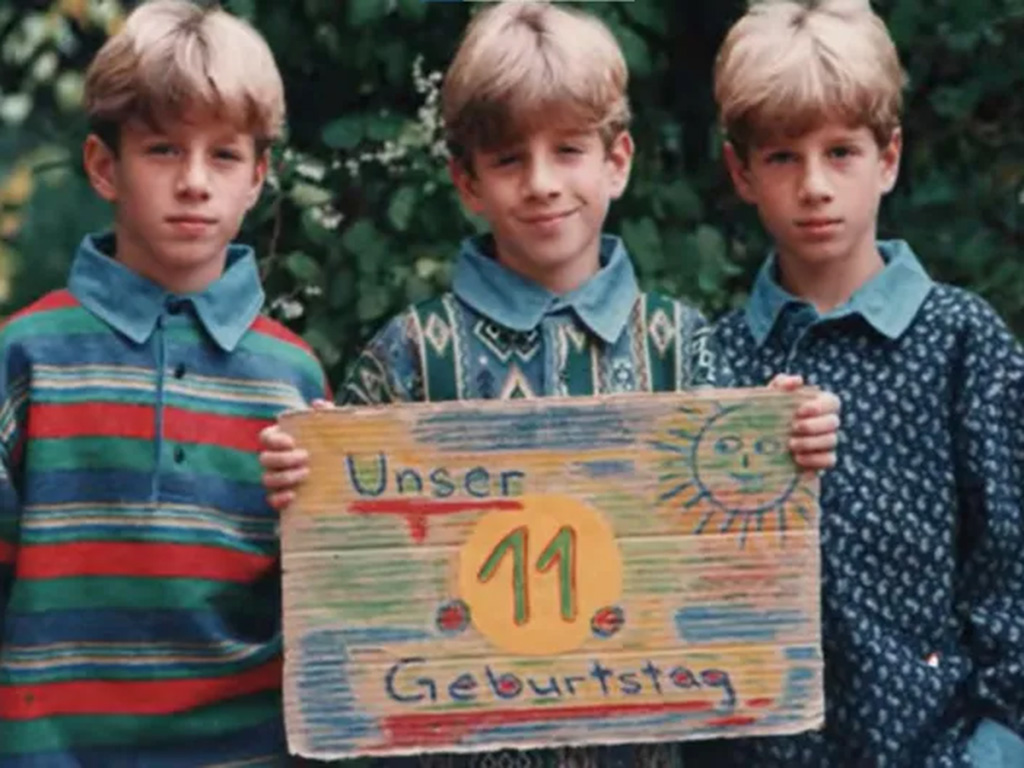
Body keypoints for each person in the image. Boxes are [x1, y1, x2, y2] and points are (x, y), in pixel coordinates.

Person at [261, 4, 840, 767]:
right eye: (507, 160)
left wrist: (786, 445)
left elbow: (741, 558)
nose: (541, 183)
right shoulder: (411, 356)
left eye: (568, 150)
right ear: (466, 181)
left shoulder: (680, 347)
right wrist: (303, 487)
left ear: (618, 161)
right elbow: (341, 573)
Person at [681, 1, 1024, 765]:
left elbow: (1011, 562)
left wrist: (997, 748)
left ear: (889, 157)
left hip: (942, 747)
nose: (814, 186)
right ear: (741, 170)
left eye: (841, 153)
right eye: (781, 157)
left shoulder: (962, 343)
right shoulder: (713, 362)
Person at [0, 1, 328, 764]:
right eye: (162, 150)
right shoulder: (27, 356)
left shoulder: (293, 375)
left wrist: (310, 511)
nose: (193, 183)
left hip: (244, 749)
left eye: (223, 156)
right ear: (104, 166)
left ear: (258, 178)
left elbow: (322, 601)